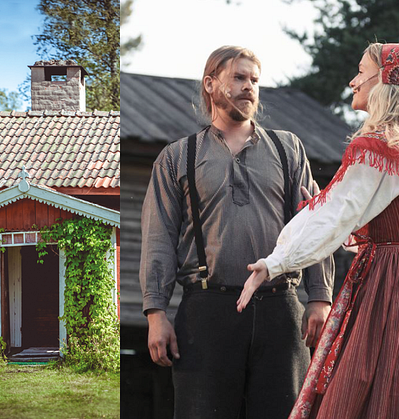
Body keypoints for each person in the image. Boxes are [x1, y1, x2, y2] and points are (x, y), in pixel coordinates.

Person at [236, 41, 399, 418]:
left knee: (362, 386)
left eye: (361, 72)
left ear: (383, 82)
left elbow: (335, 213)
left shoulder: (377, 147)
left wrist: (276, 261)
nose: (352, 81)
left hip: (386, 283)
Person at [139, 45, 335, 419]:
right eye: (240, 78)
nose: (249, 88)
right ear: (211, 84)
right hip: (207, 311)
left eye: (255, 81)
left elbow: (315, 223)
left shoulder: (288, 148)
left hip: (281, 308)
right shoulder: (178, 156)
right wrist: (155, 312)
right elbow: (158, 237)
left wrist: (320, 297)